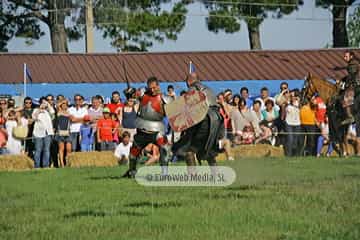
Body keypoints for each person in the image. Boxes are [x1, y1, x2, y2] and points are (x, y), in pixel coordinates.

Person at [122, 76, 173, 178]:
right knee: (134, 152)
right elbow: (131, 95)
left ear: (158, 86)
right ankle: (132, 171)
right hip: (142, 129)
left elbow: (173, 114)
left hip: (157, 130)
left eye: (154, 88)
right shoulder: (143, 94)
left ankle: (165, 173)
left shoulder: (166, 99)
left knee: (165, 149)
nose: (152, 90)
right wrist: (128, 92)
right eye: (150, 88)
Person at [172, 73, 224, 169]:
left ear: (188, 81)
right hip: (217, 121)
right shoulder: (209, 90)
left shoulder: (192, 89)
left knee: (189, 150)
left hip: (205, 121)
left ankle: (193, 178)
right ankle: (216, 175)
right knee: (208, 150)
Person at [32, 97, 55, 168]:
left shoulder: (48, 111)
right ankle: (37, 166)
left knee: (46, 150)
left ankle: (46, 166)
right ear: (39, 103)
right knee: (38, 150)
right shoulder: (36, 110)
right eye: (42, 102)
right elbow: (34, 117)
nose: (44, 104)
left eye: (45, 103)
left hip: (48, 133)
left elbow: (53, 112)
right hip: (38, 133)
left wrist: (47, 104)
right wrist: (39, 109)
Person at [55, 99, 72, 167]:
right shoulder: (59, 112)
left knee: (69, 149)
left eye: (66, 104)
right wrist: (63, 101)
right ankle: (62, 163)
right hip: (60, 132)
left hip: (68, 132)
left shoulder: (68, 112)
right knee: (61, 149)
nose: (64, 106)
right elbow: (57, 105)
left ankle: (67, 162)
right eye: (63, 105)